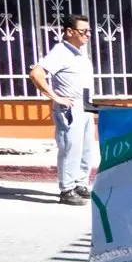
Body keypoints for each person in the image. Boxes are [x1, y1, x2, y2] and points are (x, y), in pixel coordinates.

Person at [28, 14, 97, 206]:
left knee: (85, 148)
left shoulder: (79, 53)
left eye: (89, 31)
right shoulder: (61, 52)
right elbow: (36, 74)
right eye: (84, 31)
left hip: (85, 106)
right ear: (69, 32)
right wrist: (56, 97)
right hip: (70, 107)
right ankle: (67, 189)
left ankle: (80, 184)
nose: (88, 34)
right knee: (70, 147)